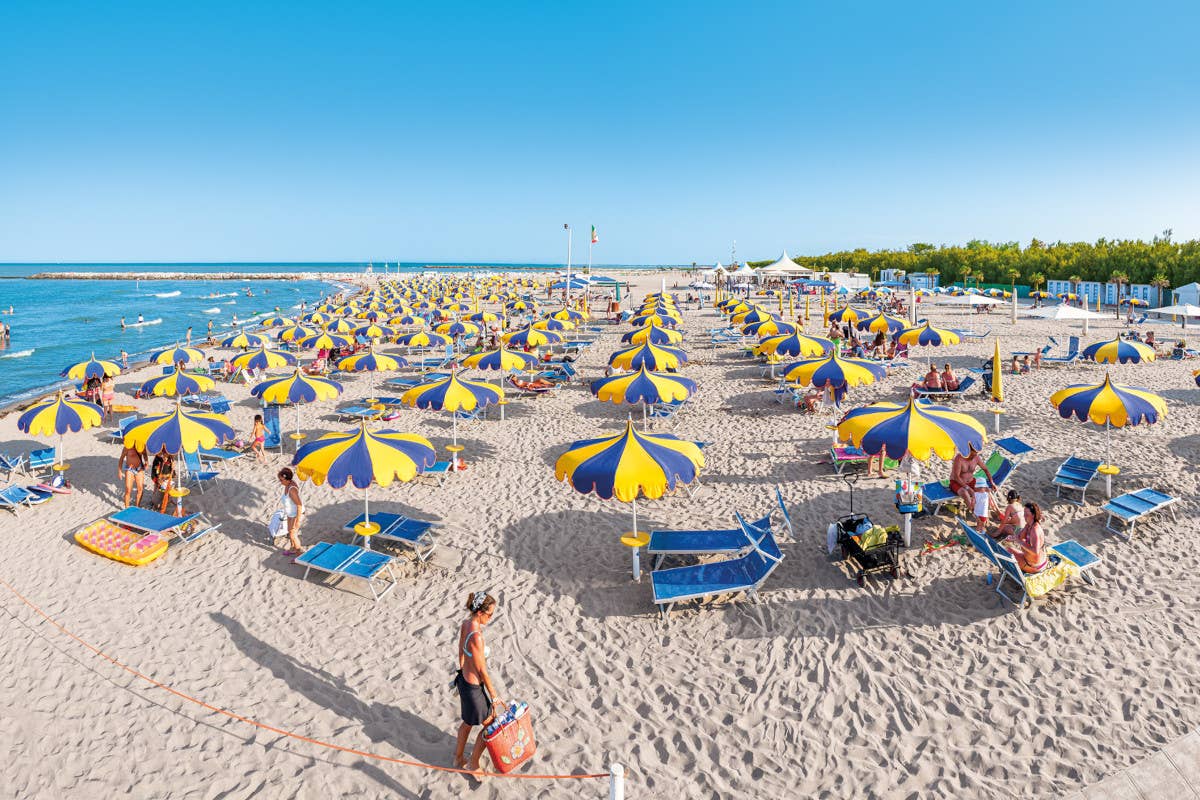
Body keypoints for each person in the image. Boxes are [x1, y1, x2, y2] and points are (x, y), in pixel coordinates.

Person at [453, 592, 505, 772]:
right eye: (490, 614)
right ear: (480, 613)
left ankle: (458, 759)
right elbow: (482, 670)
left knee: (467, 724)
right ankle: (473, 764)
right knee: (490, 726)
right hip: (474, 689)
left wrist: (461, 669)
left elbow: (460, 648)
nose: (491, 618)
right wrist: (494, 695)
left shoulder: (466, 624)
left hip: (464, 682)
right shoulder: (477, 636)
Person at [1005, 501, 1048, 573]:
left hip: (1035, 566)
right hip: (1031, 560)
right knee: (1009, 549)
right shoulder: (1029, 524)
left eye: (1027, 514)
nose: (1024, 516)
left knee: (1007, 552)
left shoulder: (1035, 530)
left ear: (1033, 515)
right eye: (1024, 514)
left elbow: (1035, 551)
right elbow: (1020, 536)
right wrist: (1014, 538)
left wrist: (1019, 541)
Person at [949, 442, 995, 509]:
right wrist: (968, 488)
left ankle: (995, 511)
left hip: (971, 481)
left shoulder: (976, 457)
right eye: (972, 455)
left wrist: (992, 482)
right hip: (957, 482)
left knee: (987, 490)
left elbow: (986, 470)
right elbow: (956, 477)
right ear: (968, 451)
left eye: (975, 455)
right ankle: (974, 512)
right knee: (965, 493)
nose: (973, 457)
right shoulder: (959, 458)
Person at [277, 467, 304, 555]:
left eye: (281, 480)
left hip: (296, 514)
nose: (280, 482)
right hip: (290, 513)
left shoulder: (292, 490)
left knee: (293, 535)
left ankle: (299, 555)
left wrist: (298, 521)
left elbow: (299, 505)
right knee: (290, 531)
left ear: (287, 479)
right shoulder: (288, 484)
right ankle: (292, 548)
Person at [118, 443, 147, 507]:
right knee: (128, 489)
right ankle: (126, 508)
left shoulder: (141, 445)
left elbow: (145, 454)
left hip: (139, 468)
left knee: (140, 489)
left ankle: (137, 506)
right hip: (129, 469)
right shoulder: (127, 446)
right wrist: (119, 471)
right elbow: (121, 458)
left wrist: (146, 462)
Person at [150, 448, 175, 513]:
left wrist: (172, 467)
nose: (164, 456)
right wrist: (159, 479)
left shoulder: (170, 460)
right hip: (158, 475)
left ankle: (166, 501)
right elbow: (155, 472)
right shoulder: (158, 459)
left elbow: (172, 474)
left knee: (168, 489)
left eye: (166, 455)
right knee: (156, 487)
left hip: (166, 477)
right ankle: (154, 502)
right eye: (163, 455)